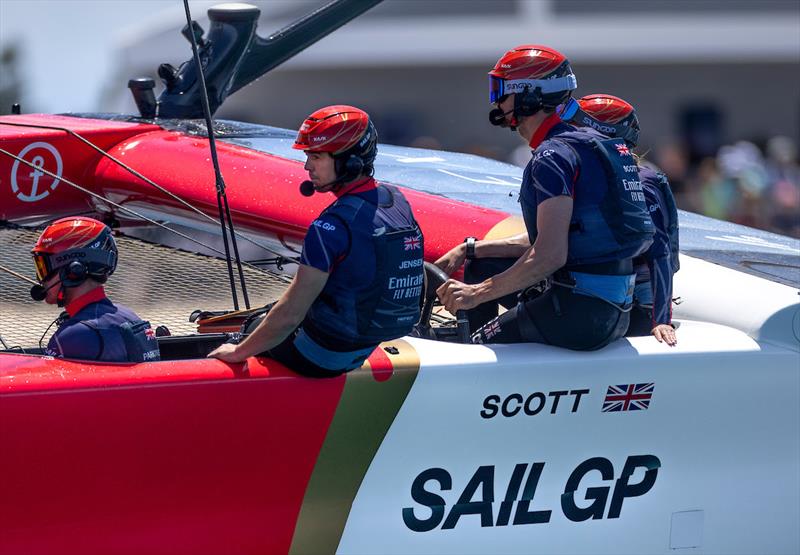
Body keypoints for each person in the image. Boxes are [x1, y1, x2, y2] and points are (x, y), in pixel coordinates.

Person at [436, 45, 654, 350]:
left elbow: (551, 255)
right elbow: (568, 235)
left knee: (476, 346)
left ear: (528, 95)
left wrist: (478, 294)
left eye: (500, 91)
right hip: (613, 309)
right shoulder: (591, 144)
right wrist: (469, 250)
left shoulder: (552, 156)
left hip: (580, 315)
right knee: (480, 265)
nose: (497, 102)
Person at [209, 105, 424, 376]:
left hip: (322, 358)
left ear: (351, 160)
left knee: (255, 326)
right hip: (367, 347)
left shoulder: (331, 226)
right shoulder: (398, 201)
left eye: (317, 156)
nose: (307, 166)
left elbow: (290, 315)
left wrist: (238, 352)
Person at [559, 93, 679, 345]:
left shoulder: (639, 184)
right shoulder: (588, 180)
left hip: (637, 304)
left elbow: (660, 253)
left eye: (576, 130)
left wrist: (661, 320)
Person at [31, 216, 160, 362]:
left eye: (43, 268)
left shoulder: (75, 335)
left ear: (73, 270)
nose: (40, 279)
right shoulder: (131, 317)